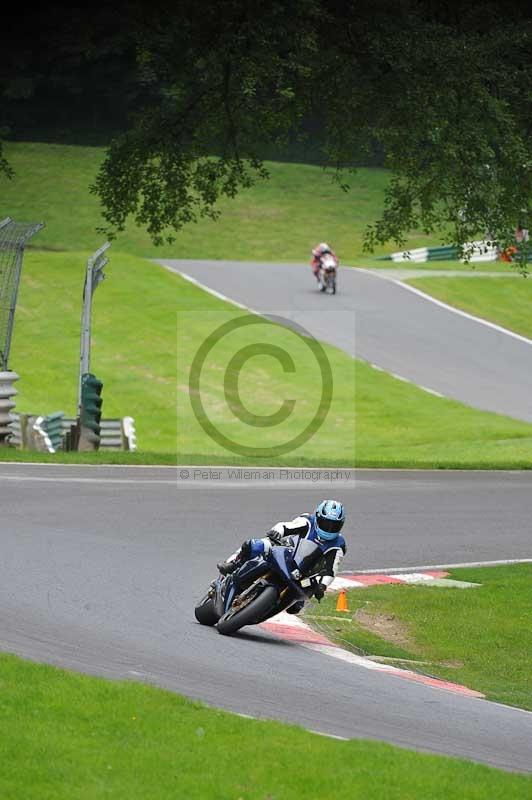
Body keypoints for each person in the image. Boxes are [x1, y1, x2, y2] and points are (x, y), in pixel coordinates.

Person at [217, 500, 346, 613]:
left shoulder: (338, 544)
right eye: (326, 523)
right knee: (257, 545)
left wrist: (322, 586)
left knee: (297, 605)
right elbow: (286, 526)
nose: (329, 529)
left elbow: (331, 569)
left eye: (334, 525)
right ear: (318, 517)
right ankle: (234, 564)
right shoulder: (308, 521)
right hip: (287, 553)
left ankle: (280, 604)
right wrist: (277, 532)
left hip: (304, 572)